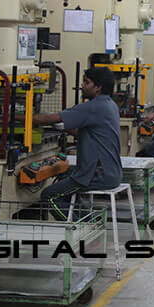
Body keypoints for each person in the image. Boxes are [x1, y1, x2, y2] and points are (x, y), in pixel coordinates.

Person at [34, 67, 122, 220]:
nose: (82, 85)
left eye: (86, 82)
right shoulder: (110, 104)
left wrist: (19, 117)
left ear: (98, 87)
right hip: (111, 172)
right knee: (65, 180)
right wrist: (64, 128)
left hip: (98, 175)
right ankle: (89, 221)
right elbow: (88, 133)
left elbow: (52, 118)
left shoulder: (94, 106)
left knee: (48, 196)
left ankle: (78, 228)